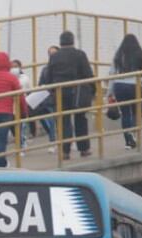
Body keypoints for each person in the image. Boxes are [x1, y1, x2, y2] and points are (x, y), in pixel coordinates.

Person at [43, 31, 95, 159]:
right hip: (78, 92)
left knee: (64, 121)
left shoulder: (54, 57)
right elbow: (88, 74)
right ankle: (84, 149)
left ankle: (65, 151)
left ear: (60, 42)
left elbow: (48, 76)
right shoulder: (80, 55)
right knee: (81, 119)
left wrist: (52, 90)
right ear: (73, 41)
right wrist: (93, 91)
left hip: (60, 93)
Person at [108, 34, 142, 149]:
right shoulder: (140, 53)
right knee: (136, 112)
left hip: (119, 86)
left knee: (125, 114)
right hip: (135, 86)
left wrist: (109, 92)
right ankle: (135, 135)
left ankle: (128, 141)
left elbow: (112, 73)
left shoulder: (118, 54)